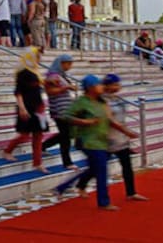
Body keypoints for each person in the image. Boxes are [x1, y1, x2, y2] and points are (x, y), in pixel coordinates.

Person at [54, 75, 137, 210]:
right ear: (90, 88)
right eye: (98, 85)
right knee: (102, 170)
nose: (101, 87)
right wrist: (84, 122)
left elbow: (110, 119)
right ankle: (103, 202)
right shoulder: (82, 102)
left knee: (95, 169)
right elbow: (67, 116)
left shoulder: (101, 102)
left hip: (102, 140)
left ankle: (63, 187)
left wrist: (126, 132)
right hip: (88, 141)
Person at [97, 74, 148, 201]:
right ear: (107, 86)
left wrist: (125, 132)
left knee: (127, 166)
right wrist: (126, 131)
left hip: (120, 138)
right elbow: (109, 120)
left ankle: (131, 192)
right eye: (115, 84)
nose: (118, 87)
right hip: (108, 138)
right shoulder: (103, 101)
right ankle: (82, 184)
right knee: (97, 168)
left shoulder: (117, 99)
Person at [3, 47, 49, 173]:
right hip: (27, 106)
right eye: (38, 56)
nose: (39, 59)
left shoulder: (35, 71)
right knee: (24, 134)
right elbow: (18, 92)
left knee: (38, 135)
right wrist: (22, 108)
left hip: (38, 106)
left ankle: (37, 162)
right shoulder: (23, 73)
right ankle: (8, 150)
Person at [41, 54, 77, 169]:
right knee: (66, 135)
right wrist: (67, 88)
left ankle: (44, 145)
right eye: (68, 63)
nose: (70, 66)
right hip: (58, 109)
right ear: (61, 63)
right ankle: (67, 162)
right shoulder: (52, 76)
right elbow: (50, 91)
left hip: (66, 109)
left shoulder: (62, 75)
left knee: (66, 133)